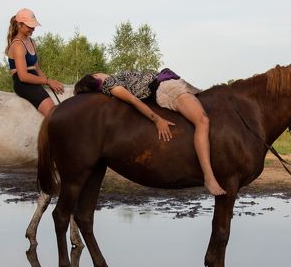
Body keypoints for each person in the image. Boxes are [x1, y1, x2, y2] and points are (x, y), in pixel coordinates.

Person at [74, 70, 226, 196]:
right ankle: (209, 177)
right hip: (167, 89)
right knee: (202, 121)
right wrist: (157, 119)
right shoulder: (111, 85)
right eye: (97, 73)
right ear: (95, 79)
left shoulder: (116, 78)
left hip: (170, 82)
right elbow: (134, 101)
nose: (101, 72)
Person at [5, 8, 64, 117]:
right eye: (29, 26)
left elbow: (36, 69)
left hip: (34, 80)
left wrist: (50, 82)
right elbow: (23, 76)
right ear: (19, 25)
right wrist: (47, 81)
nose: (33, 29)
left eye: (33, 26)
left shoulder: (32, 42)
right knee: (53, 114)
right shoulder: (18, 45)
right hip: (23, 84)